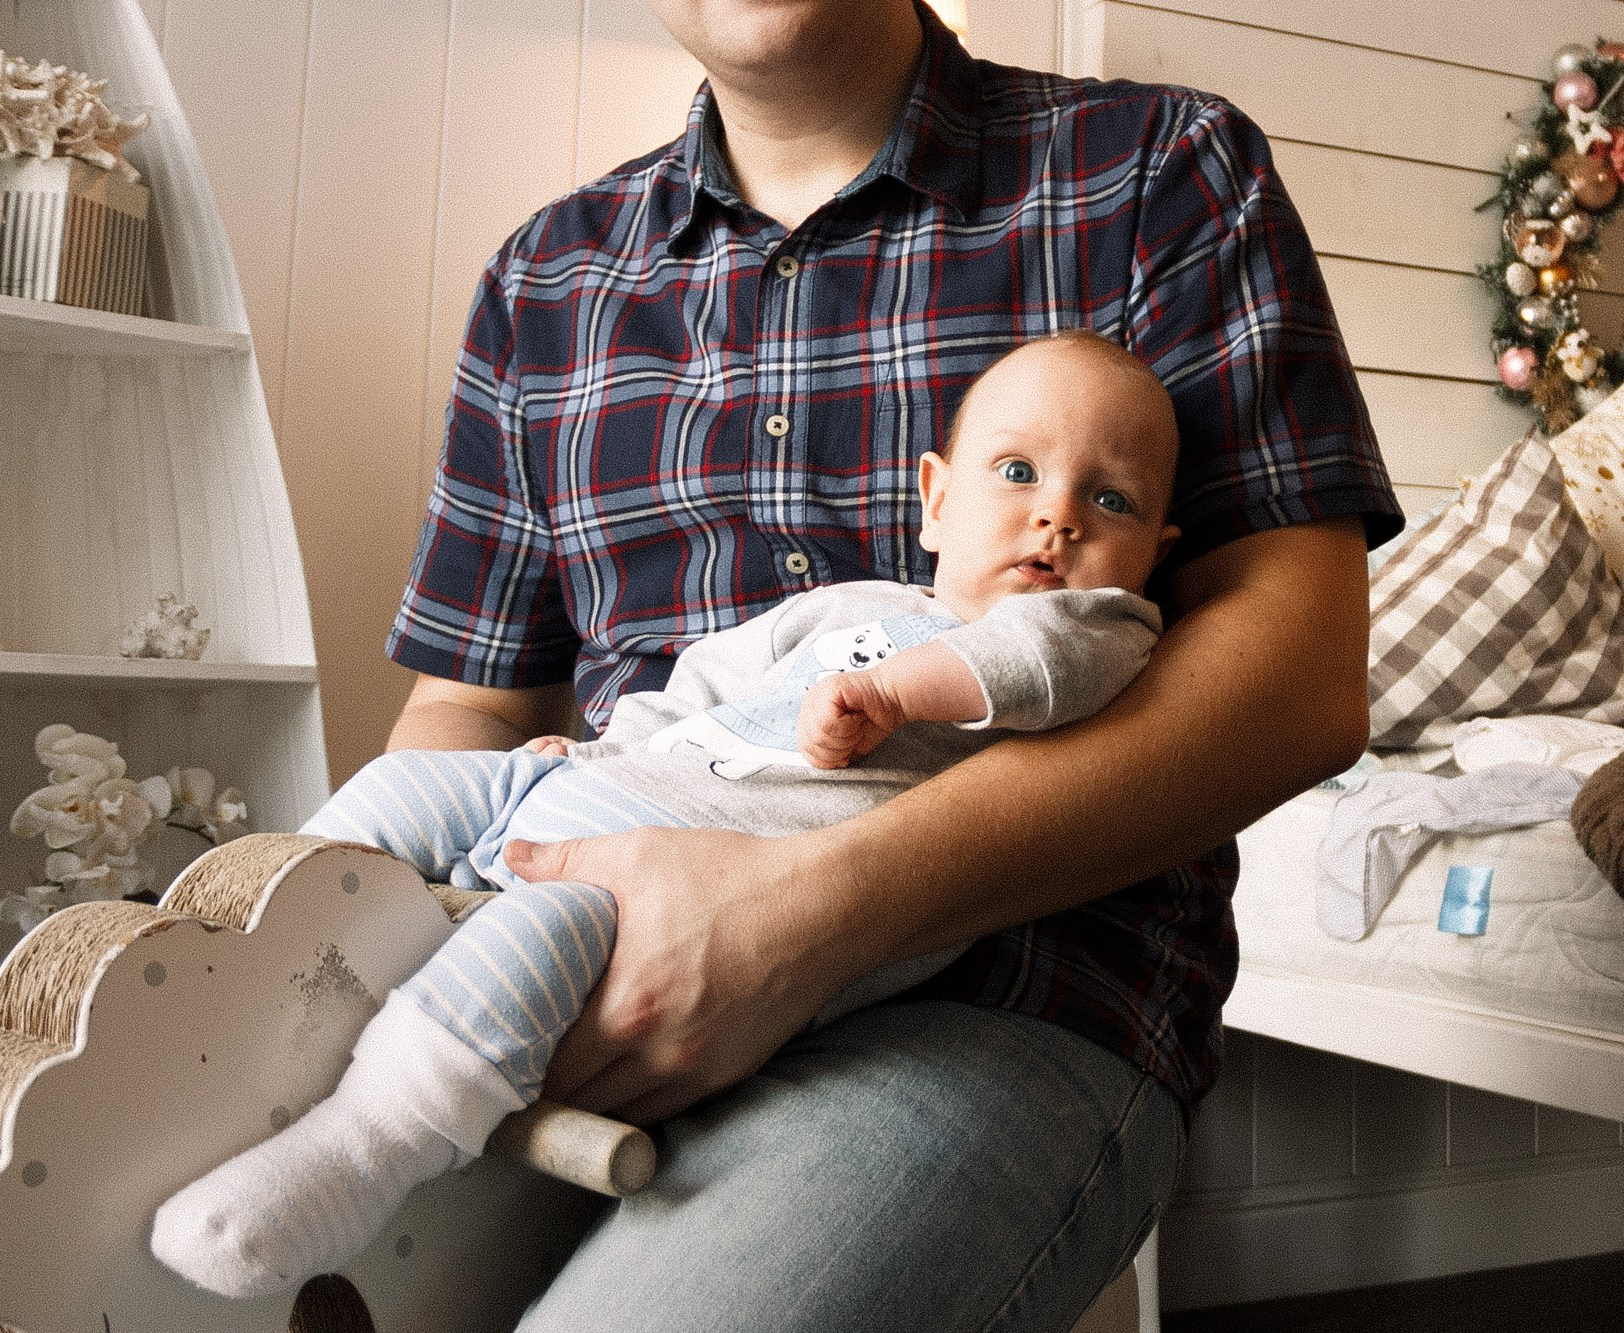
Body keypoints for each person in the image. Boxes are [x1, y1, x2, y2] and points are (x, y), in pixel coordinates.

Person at [366, 1, 1401, 1327]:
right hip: (557, 987)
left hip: (1002, 1006)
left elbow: (1298, 680)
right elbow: (465, 702)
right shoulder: (543, 283)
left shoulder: (1158, 172)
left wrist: (795, 921)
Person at [148, 331, 1181, 1299]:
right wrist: (596, 749)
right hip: (581, 791)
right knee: (402, 792)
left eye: (1112, 501)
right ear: (933, 499)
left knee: (536, 938)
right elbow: (700, 687)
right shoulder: (843, 608)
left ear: (1153, 551)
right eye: (1017, 473)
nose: (1059, 517)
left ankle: (361, 1150)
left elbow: (1038, 657)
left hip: (659, 901)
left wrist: (901, 695)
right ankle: (239, 940)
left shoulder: (1103, 631)